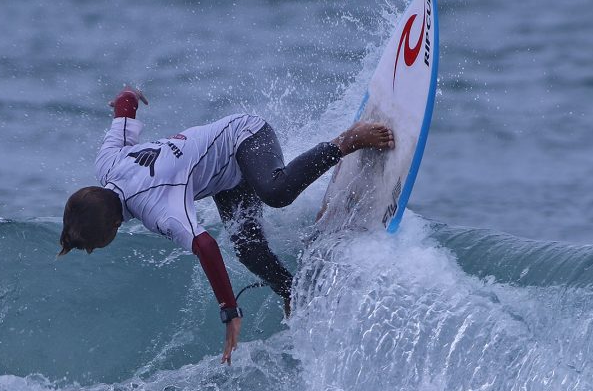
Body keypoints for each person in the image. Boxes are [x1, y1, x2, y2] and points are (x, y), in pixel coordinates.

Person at [59, 86, 394, 364]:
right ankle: (293, 291)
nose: (92, 249)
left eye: (93, 244)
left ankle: (347, 141)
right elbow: (124, 108)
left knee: (275, 192)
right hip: (226, 178)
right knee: (247, 249)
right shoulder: (107, 163)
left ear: (115, 226)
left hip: (245, 137)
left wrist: (229, 311)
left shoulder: (157, 206)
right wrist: (129, 95)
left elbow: (205, 246)